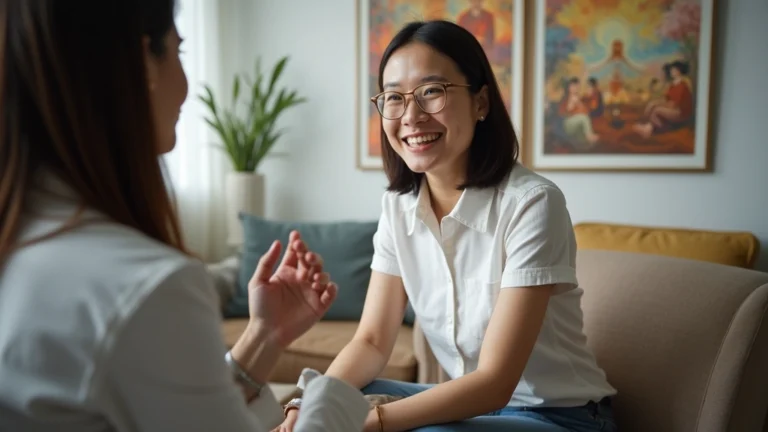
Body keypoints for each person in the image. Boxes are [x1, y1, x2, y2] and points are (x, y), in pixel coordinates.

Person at [0, 1, 369, 431]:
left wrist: (264, 335)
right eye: (179, 50)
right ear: (145, 62)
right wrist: (329, 400)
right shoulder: (148, 285)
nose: (187, 86)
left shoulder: (24, 242)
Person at [276, 20, 618, 432]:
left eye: (431, 91)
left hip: (558, 416)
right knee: (340, 398)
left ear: (481, 102)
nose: (412, 116)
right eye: (394, 97)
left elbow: (495, 382)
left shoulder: (532, 203)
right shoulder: (398, 207)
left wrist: (373, 422)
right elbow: (371, 341)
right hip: (475, 411)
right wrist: (307, 405)